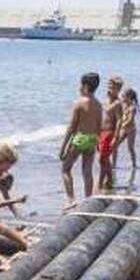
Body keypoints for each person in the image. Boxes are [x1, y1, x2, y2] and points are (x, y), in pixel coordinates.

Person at [60, 72, 102, 208]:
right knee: (87, 170)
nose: (78, 87)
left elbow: (72, 127)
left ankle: (71, 200)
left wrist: (63, 147)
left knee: (66, 169)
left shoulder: (79, 103)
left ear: (85, 86)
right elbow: (98, 125)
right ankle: (88, 199)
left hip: (80, 139)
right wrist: (97, 143)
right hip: (92, 139)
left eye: (80, 84)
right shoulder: (98, 104)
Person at [97, 76, 124, 192]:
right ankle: (109, 180)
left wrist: (115, 137)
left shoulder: (118, 103)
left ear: (118, 89)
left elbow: (119, 120)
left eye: (113, 87)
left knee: (103, 158)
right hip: (101, 132)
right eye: (109, 86)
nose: (110, 89)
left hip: (110, 132)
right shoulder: (106, 100)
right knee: (104, 158)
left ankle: (101, 182)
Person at [115, 88, 139, 170]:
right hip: (123, 129)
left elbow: (130, 119)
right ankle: (114, 164)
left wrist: (122, 125)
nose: (122, 98)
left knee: (130, 148)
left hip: (131, 130)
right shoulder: (123, 105)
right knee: (115, 145)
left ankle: (134, 164)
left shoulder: (132, 108)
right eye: (122, 96)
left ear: (129, 97)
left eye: (124, 97)